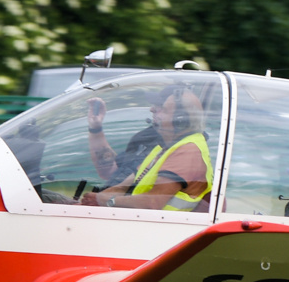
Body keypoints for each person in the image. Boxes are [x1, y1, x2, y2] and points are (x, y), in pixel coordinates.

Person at [80, 86, 212, 210]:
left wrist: (108, 202)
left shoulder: (188, 150)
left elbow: (152, 202)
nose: (152, 110)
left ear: (180, 121)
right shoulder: (163, 148)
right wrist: (93, 201)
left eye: (163, 109)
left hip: (156, 228)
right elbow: (121, 186)